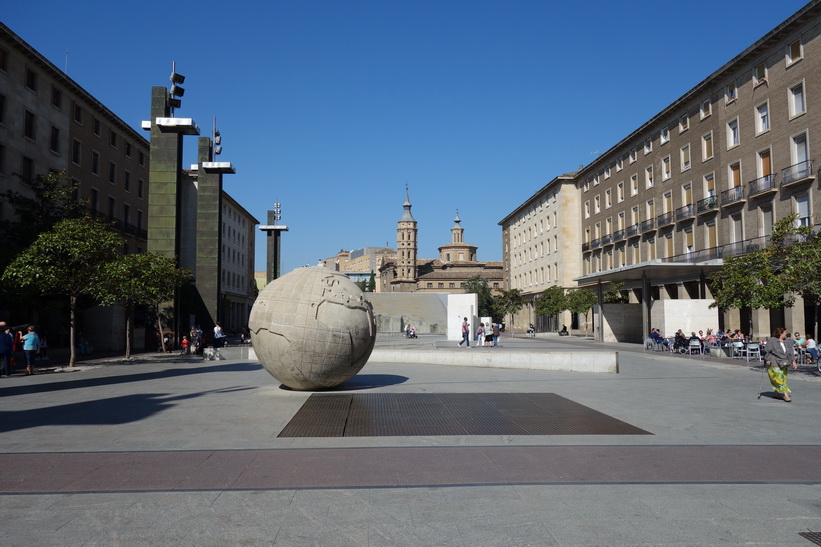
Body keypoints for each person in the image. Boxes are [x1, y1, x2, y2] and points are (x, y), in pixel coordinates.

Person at [763, 327, 798, 402]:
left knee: (783, 379)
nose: (786, 334)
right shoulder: (772, 340)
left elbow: (790, 352)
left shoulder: (787, 341)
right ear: (780, 333)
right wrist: (767, 359)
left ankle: (775, 393)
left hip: (783, 363)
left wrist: (793, 361)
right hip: (774, 362)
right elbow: (766, 351)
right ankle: (785, 395)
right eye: (785, 332)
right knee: (779, 379)